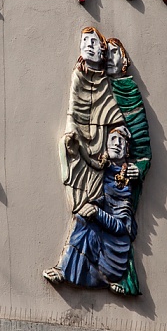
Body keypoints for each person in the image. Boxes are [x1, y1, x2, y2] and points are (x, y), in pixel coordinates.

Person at [44, 128, 137, 293]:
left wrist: (96, 212)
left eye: (121, 141)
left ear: (127, 150)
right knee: (82, 219)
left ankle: (66, 270)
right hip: (97, 240)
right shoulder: (102, 171)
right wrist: (75, 151)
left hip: (112, 252)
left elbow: (122, 226)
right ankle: (64, 269)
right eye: (113, 139)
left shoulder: (124, 183)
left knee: (85, 223)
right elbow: (85, 174)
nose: (117, 143)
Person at [59, 27, 124, 214]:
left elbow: (111, 111)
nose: (89, 45)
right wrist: (73, 132)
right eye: (85, 41)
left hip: (100, 143)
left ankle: (95, 202)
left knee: (98, 174)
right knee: (71, 152)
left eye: (93, 42)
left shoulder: (105, 82)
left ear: (102, 51)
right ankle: (80, 204)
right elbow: (73, 109)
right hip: (78, 137)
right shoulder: (78, 75)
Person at [106, 38, 152, 295]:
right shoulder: (98, 86)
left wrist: (139, 168)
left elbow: (143, 147)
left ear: (125, 61)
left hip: (123, 174)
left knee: (119, 223)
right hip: (101, 166)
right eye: (107, 52)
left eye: (114, 53)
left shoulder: (128, 92)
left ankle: (126, 279)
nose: (109, 57)